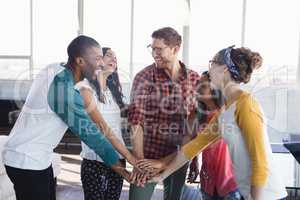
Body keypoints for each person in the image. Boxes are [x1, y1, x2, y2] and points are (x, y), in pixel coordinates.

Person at [148, 46, 287, 200]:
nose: (209, 69)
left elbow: (260, 162)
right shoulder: (226, 112)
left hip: (267, 195)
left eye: (212, 63)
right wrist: (161, 176)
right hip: (249, 193)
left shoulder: (246, 105)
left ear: (224, 69)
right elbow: (192, 148)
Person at [2, 35, 132, 200]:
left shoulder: (55, 68)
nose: (101, 63)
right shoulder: (64, 90)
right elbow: (93, 137)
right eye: (98, 58)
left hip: (38, 157)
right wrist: (126, 172)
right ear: (80, 61)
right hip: (26, 160)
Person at [128, 27, 200, 200]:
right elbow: (136, 123)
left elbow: (195, 126)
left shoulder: (195, 79)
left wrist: (194, 159)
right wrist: (139, 163)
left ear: (175, 49)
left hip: (178, 158)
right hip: (147, 158)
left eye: (158, 49)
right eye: (152, 48)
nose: (154, 53)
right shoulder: (144, 77)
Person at [76, 47, 132, 200]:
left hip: (118, 158)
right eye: (109, 55)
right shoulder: (85, 87)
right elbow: (102, 128)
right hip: (95, 161)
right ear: (98, 59)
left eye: (115, 57)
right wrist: (131, 158)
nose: (114, 59)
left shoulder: (114, 92)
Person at [187, 71, 241, 200]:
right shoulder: (197, 115)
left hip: (230, 183)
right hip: (208, 184)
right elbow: (193, 141)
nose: (197, 88)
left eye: (202, 85)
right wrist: (194, 162)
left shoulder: (228, 113)